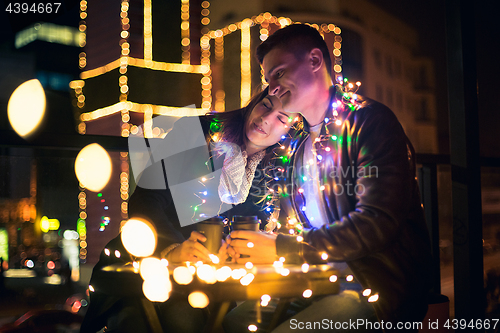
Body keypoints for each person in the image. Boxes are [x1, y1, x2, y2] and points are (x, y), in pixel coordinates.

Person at [225, 24, 433, 332]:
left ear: (314, 61)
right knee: (233, 323)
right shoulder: (295, 146)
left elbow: (377, 222)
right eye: (268, 80)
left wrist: (283, 248)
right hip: (314, 280)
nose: (272, 88)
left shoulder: (369, 122)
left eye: (279, 73)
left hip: (376, 285)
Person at [80, 88, 300, 333]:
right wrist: (171, 250)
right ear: (253, 103)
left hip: (209, 285)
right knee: (157, 321)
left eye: (282, 118)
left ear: (289, 132)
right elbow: (146, 199)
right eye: (266, 105)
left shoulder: (274, 174)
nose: (266, 118)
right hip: (142, 266)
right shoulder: (197, 132)